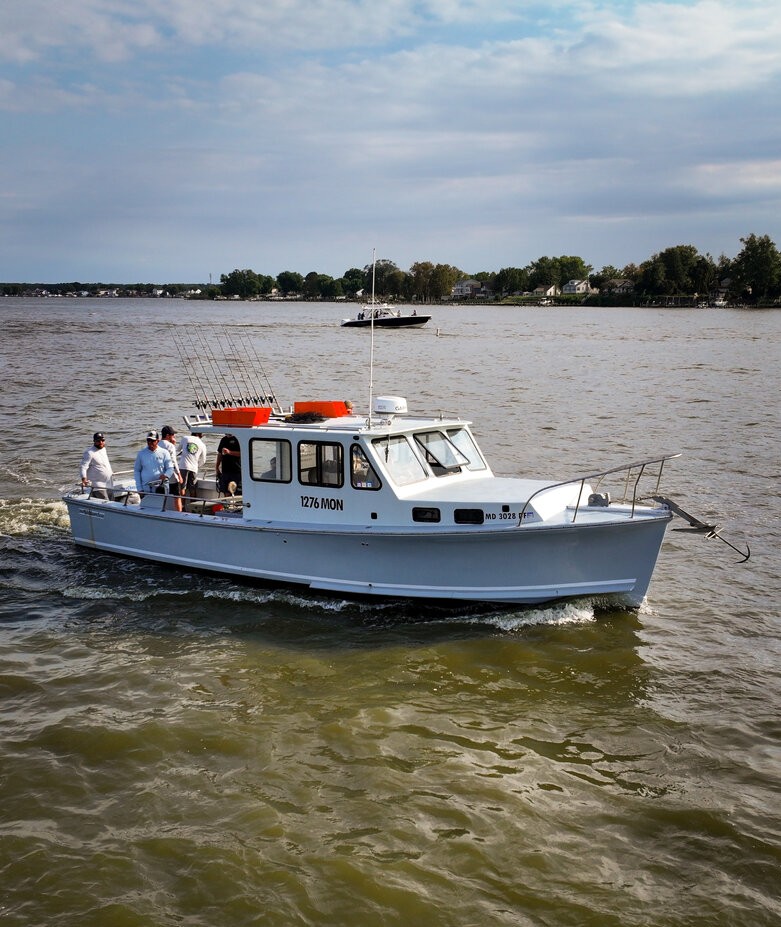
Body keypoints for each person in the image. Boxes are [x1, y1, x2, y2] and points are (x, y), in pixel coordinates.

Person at [133, 430, 176, 500]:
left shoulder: (165, 452)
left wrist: (166, 475)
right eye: (148, 440)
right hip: (146, 489)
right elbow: (137, 471)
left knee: (162, 505)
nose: (150, 443)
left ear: (157, 441)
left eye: (152, 441)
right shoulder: (141, 454)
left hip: (162, 487)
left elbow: (170, 468)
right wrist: (139, 488)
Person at [80, 432, 113, 499]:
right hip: (98, 486)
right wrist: (84, 479)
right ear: (94, 441)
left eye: (102, 440)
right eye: (98, 441)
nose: (101, 442)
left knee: (113, 502)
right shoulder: (89, 452)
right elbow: (83, 467)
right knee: (106, 503)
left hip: (109, 483)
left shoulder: (103, 449)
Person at [177, 431, 207, 500]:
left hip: (183, 466)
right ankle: (193, 506)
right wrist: (197, 466)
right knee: (192, 489)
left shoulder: (185, 438)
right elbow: (203, 460)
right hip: (194, 468)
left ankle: (182, 506)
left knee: (182, 488)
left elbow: (178, 449)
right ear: (199, 434)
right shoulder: (202, 445)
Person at [160, 425, 183, 511]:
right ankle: (179, 514)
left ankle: (161, 511)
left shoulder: (157, 444)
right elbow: (173, 461)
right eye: (172, 434)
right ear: (167, 435)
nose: (174, 436)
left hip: (160, 474)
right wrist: (179, 475)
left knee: (161, 495)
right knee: (177, 496)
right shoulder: (170, 446)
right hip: (170, 474)